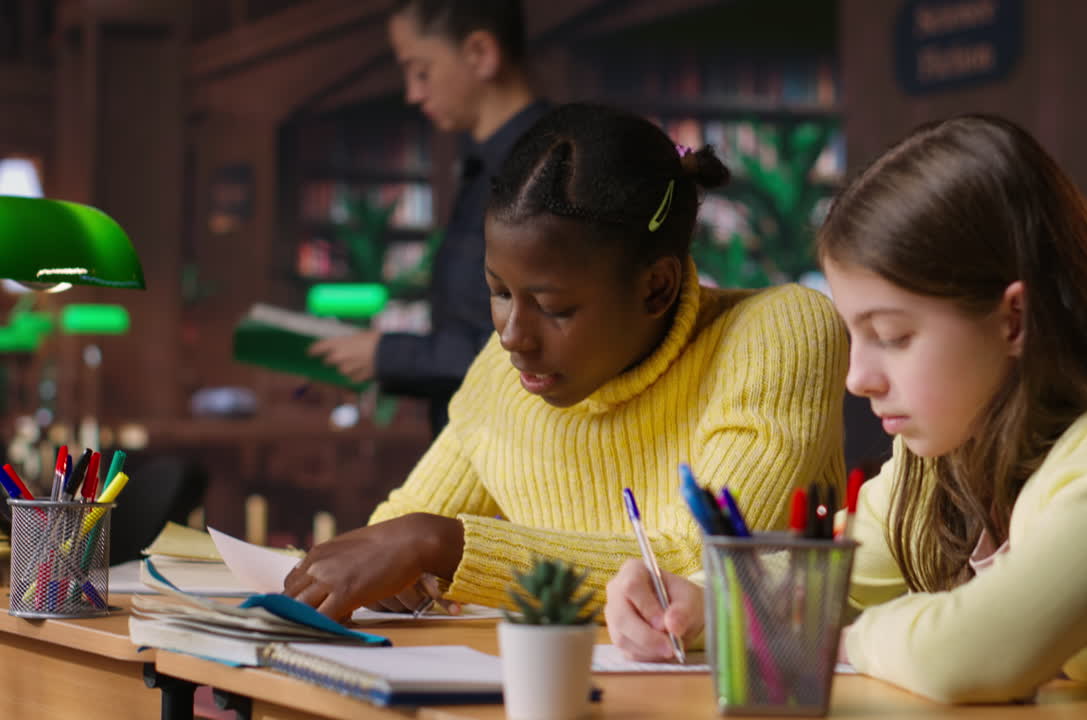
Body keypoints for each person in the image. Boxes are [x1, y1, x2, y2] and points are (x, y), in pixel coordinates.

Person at [604, 114, 1087, 707]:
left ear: (1014, 318)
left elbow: (971, 653)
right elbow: (830, 577)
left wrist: (830, 638)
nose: (858, 379)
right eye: (855, 334)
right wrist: (696, 601)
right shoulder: (945, 455)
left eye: (893, 336)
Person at [283, 103, 849, 621]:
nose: (511, 336)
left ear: (656, 287)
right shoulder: (504, 373)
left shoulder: (776, 335)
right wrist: (387, 569)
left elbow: (696, 563)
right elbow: (399, 527)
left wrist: (443, 547)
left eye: (553, 307)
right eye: (500, 292)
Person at [309, 0, 550, 432]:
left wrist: (388, 356)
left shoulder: (542, 167)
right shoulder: (486, 166)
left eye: (421, 71)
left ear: (480, 53)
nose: (413, 93)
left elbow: (541, 344)